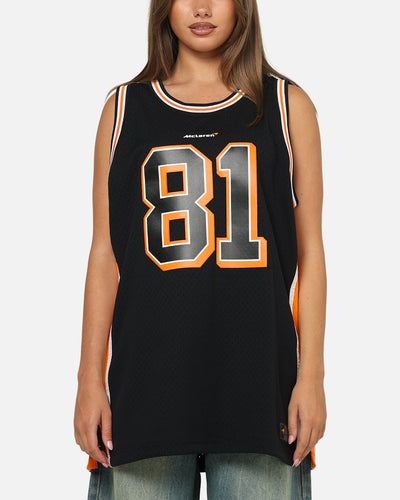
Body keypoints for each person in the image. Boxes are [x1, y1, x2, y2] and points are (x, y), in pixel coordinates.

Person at [74, 0, 327, 498]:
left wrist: (312, 377)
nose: (202, 8)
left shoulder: (286, 105)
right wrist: (88, 381)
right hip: (146, 385)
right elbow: (104, 254)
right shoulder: (123, 109)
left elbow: (311, 253)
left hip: (261, 388)